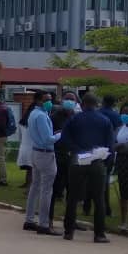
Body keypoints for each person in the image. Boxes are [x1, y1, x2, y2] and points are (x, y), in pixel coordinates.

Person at [61, 93, 115, 242]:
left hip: (78, 159)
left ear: (82, 104)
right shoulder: (105, 120)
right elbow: (111, 144)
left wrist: (76, 149)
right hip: (97, 160)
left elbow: (64, 138)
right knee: (99, 199)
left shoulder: (74, 119)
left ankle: (68, 231)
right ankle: (99, 234)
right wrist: (107, 162)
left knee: (72, 197)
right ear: (97, 104)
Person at [24, 91, 61, 235]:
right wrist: (60, 134)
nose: (49, 102)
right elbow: (48, 139)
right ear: (38, 100)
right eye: (46, 100)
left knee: (35, 187)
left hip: (36, 152)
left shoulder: (34, 113)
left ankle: (29, 219)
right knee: (46, 190)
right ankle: (44, 224)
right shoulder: (40, 116)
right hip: (45, 153)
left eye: (50, 99)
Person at [48, 97, 75, 226]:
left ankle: (70, 220)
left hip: (72, 156)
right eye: (67, 99)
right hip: (58, 155)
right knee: (54, 189)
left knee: (72, 190)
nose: (70, 102)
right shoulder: (54, 117)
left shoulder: (75, 116)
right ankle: (49, 220)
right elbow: (49, 135)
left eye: (72, 99)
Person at [16, 106, 34, 189]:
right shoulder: (33, 123)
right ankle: (29, 187)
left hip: (25, 147)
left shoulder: (23, 122)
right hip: (32, 147)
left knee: (29, 169)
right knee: (32, 169)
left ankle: (27, 184)